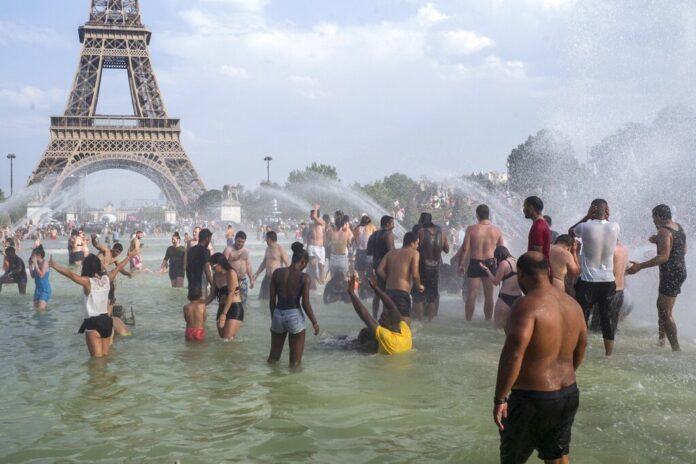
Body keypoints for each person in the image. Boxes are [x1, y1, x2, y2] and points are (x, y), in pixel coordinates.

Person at [493, 252, 587, 464]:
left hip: (532, 398)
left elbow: (513, 353)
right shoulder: (573, 305)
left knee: (512, 459)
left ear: (523, 275)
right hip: (567, 395)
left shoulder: (526, 305)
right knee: (557, 457)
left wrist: (500, 398)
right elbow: (581, 348)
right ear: (548, 272)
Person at [49, 251, 134, 357]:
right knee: (105, 358)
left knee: (96, 362)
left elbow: (70, 274)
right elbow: (119, 267)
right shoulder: (106, 280)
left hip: (93, 323)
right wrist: (129, 257)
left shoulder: (88, 282)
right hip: (106, 321)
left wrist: (54, 265)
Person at [627, 204, 686, 351]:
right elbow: (683, 249)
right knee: (660, 306)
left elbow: (663, 257)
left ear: (659, 216)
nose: (653, 221)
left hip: (671, 274)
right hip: (678, 271)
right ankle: (661, 341)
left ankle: (676, 349)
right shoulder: (678, 227)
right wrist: (660, 241)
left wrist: (639, 266)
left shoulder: (664, 231)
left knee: (666, 312)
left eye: (654, 218)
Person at [569, 199, 620, 356]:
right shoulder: (616, 226)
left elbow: (571, 232)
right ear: (607, 211)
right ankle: (609, 354)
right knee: (607, 319)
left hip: (588, 281)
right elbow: (607, 229)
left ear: (592, 210)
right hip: (607, 281)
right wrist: (603, 214)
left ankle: (581, 352)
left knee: (583, 317)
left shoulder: (584, 227)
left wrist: (586, 216)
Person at [268, 242, 320, 368]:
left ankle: (271, 384)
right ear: (303, 262)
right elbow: (305, 303)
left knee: (273, 358)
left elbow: (272, 301)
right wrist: (314, 322)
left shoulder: (277, 273)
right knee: (295, 364)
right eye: (305, 264)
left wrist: (274, 318)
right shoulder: (304, 277)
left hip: (277, 314)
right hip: (294, 315)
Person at [456, 204, 504, 321]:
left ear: (477, 215)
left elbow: (465, 249)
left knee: (472, 294)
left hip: (475, 262)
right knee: (489, 295)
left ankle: (468, 321)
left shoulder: (472, 229)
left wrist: (461, 264)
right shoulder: (497, 230)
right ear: (488, 215)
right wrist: (501, 268)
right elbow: (501, 250)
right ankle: (487, 321)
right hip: (490, 263)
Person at [347, 274, 412, 355]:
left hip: (378, 354)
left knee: (367, 335)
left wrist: (352, 294)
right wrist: (375, 288)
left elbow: (364, 314)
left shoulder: (388, 338)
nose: (379, 321)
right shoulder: (405, 331)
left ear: (391, 325)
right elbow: (392, 307)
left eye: (382, 319)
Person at [376, 231, 423, 323]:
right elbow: (415, 274)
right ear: (412, 243)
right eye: (417, 243)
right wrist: (419, 286)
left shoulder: (391, 252)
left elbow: (379, 270)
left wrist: (388, 279)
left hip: (388, 292)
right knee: (405, 324)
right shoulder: (414, 253)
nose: (417, 246)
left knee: (387, 323)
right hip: (401, 293)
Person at [413, 212, 449, 321]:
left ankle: (419, 320)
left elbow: (414, 247)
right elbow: (447, 250)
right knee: (432, 296)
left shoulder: (421, 232)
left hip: (422, 267)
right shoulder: (442, 233)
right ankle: (430, 321)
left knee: (418, 295)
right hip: (435, 268)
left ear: (422, 222)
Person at [480, 246, 522, 330]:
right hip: (518, 298)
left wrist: (487, 270)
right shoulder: (518, 261)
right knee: (514, 329)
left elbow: (495, 282)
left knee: (497, 329)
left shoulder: (504, 263)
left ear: (499, 255)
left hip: (505, 298)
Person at [185, 228, 214, 342]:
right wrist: (213, 285)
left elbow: (187, 267)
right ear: (207, 238)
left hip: (192, 283)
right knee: (201, 308)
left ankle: (190, 333)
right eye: (210, 239)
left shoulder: (191, 250)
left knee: (191, 309)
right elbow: (207, 271)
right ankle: (199, 334)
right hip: (200, 282)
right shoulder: (205, 251)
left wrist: (190, 282)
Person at [206, 253, 244, 340]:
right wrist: (199, 304)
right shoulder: (215, 275)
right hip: (221, 307)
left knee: (227, 339)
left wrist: (224, 314)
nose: (212, 268)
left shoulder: (231, 273)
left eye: (213, 266)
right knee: (222, 339)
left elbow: (231, 293)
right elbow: (212, 295)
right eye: (211, 266)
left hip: (234, 308)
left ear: (220, 264)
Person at [369, 215, 396, 317]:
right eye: (392, 223)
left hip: (376, 265)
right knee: (386, 293)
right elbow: (391, 252)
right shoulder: (388, 234)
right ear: (388, 224)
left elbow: (369, 252)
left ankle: (374, 316)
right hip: (385, 267)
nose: (394, 226)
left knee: (377, 293)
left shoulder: (374, 234)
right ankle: (385, 316)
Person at [253, 231, 289, 300]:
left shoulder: (280, 249)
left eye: (266, 238)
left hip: (277, 279)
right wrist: (256, 274)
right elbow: (264, 263)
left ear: (269, 239)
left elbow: (287, 264)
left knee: (274, 299)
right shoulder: (268, 249)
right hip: (267, 278)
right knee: (262, 298)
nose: (265, 240)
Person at [223, 231, 254, 305]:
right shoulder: (228, 250)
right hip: (231, 281)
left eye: (242, 242)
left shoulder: (245, 251)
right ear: (235, 239)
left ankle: (242, 316)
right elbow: (222, 266)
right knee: (230, 302)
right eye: (238, 241)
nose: (240, 244)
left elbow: (248, 265)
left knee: (243, 303)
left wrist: (251, 279)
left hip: (243, 281)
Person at [353, 214, 376, 298]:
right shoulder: (371, 227)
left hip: (359, 253)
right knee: (371, 274)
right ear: (368, 222)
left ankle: (361, 294)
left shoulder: (356, 229)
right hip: (368, 253)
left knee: (361, 276)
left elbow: (355, 241)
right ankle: (372, 293)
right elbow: (376, 238)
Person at [524, 196, 551, 262]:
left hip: (538, 270)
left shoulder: (538, 226)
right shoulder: (542, 224)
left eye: (525, 206)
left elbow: (538, 255)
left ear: (531, 208)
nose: (523, 210)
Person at [307, 205, 327, 286]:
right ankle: (315, 283)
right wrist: (307, 247)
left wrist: (316, 208)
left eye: (311, 214)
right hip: (311, 247)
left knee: (321, 266)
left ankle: (321, 282)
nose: (310, 216)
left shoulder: (322, 223)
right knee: (312, 266)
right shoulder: (311, 225)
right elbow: (309, 237)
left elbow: (315, 217)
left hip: (320, 247)